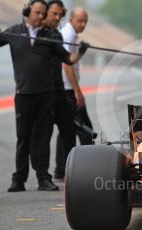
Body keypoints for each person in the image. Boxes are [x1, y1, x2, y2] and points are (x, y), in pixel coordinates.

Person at [0, 0, 89, 192]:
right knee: (23, 137)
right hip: (24, 94)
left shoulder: (51, 35)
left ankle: (43, 178)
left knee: (43, 138)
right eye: (37, 13)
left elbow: (68, 59)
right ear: (27, 12)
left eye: (43, 14)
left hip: (46, 96)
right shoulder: (13, 32)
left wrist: (81, 51)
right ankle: (18, 179)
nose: (41, 17)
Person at [31, 0, 77, 182]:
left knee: (69, 129)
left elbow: (67, 59)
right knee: (42, 135)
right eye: (54, 14)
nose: (58, 18)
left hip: (58, 91)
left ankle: (68, 170)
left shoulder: (55, 34)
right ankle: (42, 175)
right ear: (44, 13)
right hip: (42, 92)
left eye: (60, 15)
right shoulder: (35, 35)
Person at [56, 7, 95, 171]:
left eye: (85, 21)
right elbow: (67, 65)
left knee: (67, 129)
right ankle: (88, 167)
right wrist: (77, 91)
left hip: (66, 88)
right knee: (86, 130)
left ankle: (61, 168)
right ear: (71, 19)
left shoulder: (69, 33)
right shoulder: (68, 35)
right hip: (68, 90)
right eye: (80, 20)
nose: (83, 24)